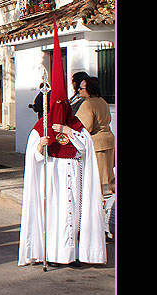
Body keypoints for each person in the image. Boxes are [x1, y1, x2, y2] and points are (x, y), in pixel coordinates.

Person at [18, 21, 106, 268]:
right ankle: (53, 254)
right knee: (54, 216)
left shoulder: (75, 125)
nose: (59, 113)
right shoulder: (40, 128)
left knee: (75, 216)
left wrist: (68, 130)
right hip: (51, 178)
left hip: (73, 177)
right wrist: (39, 148)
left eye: (62, 108)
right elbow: (32, 156)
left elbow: (85, 147)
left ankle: (73, 253)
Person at [75, 76, 115, 195]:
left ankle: (100, 201)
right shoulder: (102, 101)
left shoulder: (88, 104)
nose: (79, 90)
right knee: (107, 175)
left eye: (81, 88)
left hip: (96, 142)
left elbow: (86, 126)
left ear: (89, 90)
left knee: (96, 176)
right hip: (107, 139)